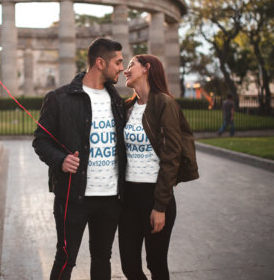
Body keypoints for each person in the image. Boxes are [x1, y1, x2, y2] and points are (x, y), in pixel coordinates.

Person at [32, 38, 126, 280]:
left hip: (110, 197)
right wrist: (60, 160)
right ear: (99, 63)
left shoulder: (117, 100)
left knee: (102, 258)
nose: (121, 68)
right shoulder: (59, 98)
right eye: (118, 62)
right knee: (65, 258)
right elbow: (40, 140)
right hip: (74, 196)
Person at [119, 54, 199, 280]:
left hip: (155, 195)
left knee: (156, 264)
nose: (126, 70)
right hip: (129, 197)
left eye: (130, 65)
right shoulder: (127, 108)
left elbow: (171, 156)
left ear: (147, 68)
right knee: (129, 267)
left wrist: (160, 206)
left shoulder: (165, 103)